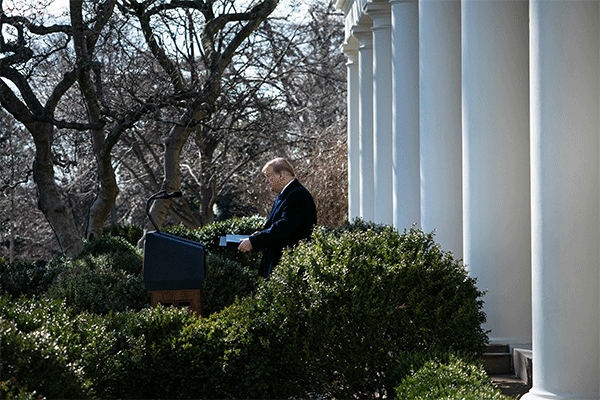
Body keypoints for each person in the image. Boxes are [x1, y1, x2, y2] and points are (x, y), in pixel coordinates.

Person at [238, 157, 317, 278]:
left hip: (289, 269)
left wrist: (255, 241)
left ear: (281, 175)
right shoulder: (287, 194)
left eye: (269, 176)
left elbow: (284, 228)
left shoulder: (296, 194)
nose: (266, 181)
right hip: (282, 265)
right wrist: (260, 235)